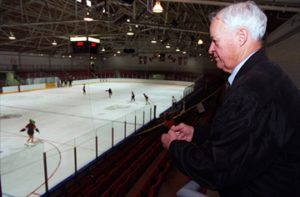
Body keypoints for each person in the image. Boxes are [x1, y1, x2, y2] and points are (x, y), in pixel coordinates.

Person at [161, 1, 300, 197]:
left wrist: (175, 146)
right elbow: (246, 136)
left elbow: (218, 171)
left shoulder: (251, 90)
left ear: (241, 37)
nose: (210, 49)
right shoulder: (267, 74)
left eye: (215, 41)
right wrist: (196, 134)